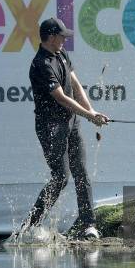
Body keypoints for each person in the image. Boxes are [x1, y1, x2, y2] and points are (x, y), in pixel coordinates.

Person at [19, 17, 109, 240]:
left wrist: (92, 112)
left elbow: (76, 85)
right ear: (51, 37)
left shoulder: (61, 54)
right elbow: (60, 97)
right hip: (51, 126)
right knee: (61, 176)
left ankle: (88, 225)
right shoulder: (41, 64)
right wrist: (89, 115)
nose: (64, 41)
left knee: (81, 172)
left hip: (71, 122)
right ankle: (31, 225)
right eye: (62, 37)